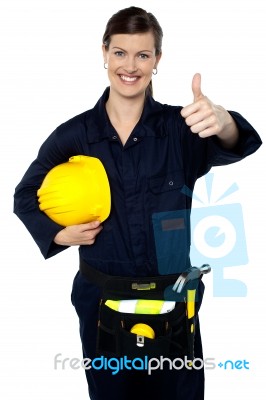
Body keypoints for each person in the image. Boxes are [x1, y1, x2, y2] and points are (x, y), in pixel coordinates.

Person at [13, 6, 262, 400]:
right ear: (105, 53)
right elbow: (24, 195)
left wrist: (223, 119)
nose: (130, 66)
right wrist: (58, 235)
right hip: (101, 301)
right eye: (120, 53)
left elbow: (236, 144)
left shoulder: (181, 128)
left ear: (157, 60)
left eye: (143, 55)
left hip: (174, 300)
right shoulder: (75, 134)